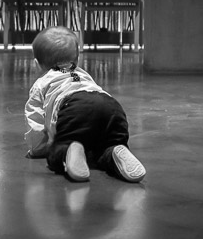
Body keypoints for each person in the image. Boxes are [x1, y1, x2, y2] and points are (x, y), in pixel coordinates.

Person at [24, 26, 146, 183]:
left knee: (58, 151)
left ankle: (68, 150)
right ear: (76, 60)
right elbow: (84, 94)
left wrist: (38, 149)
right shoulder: (79, 74)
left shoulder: (42, 83)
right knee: (103, 148)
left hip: (74, 107)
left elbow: (35, 121)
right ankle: (115, 149)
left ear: (37, 64)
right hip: (110, 106)